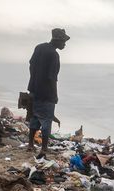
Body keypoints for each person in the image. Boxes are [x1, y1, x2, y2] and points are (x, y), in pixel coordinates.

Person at [27, 28, 70, 157]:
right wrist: (55, 95)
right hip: (46, 93)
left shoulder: (39, 47)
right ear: (57, 40)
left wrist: (34, 80)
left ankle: (30, 144)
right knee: (47, 120)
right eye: (63, 41)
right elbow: (52, 78)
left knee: (34, 117)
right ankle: (44, 148)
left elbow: (31, 64)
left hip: (34, 89)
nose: (64, 44)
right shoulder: (54, 54)